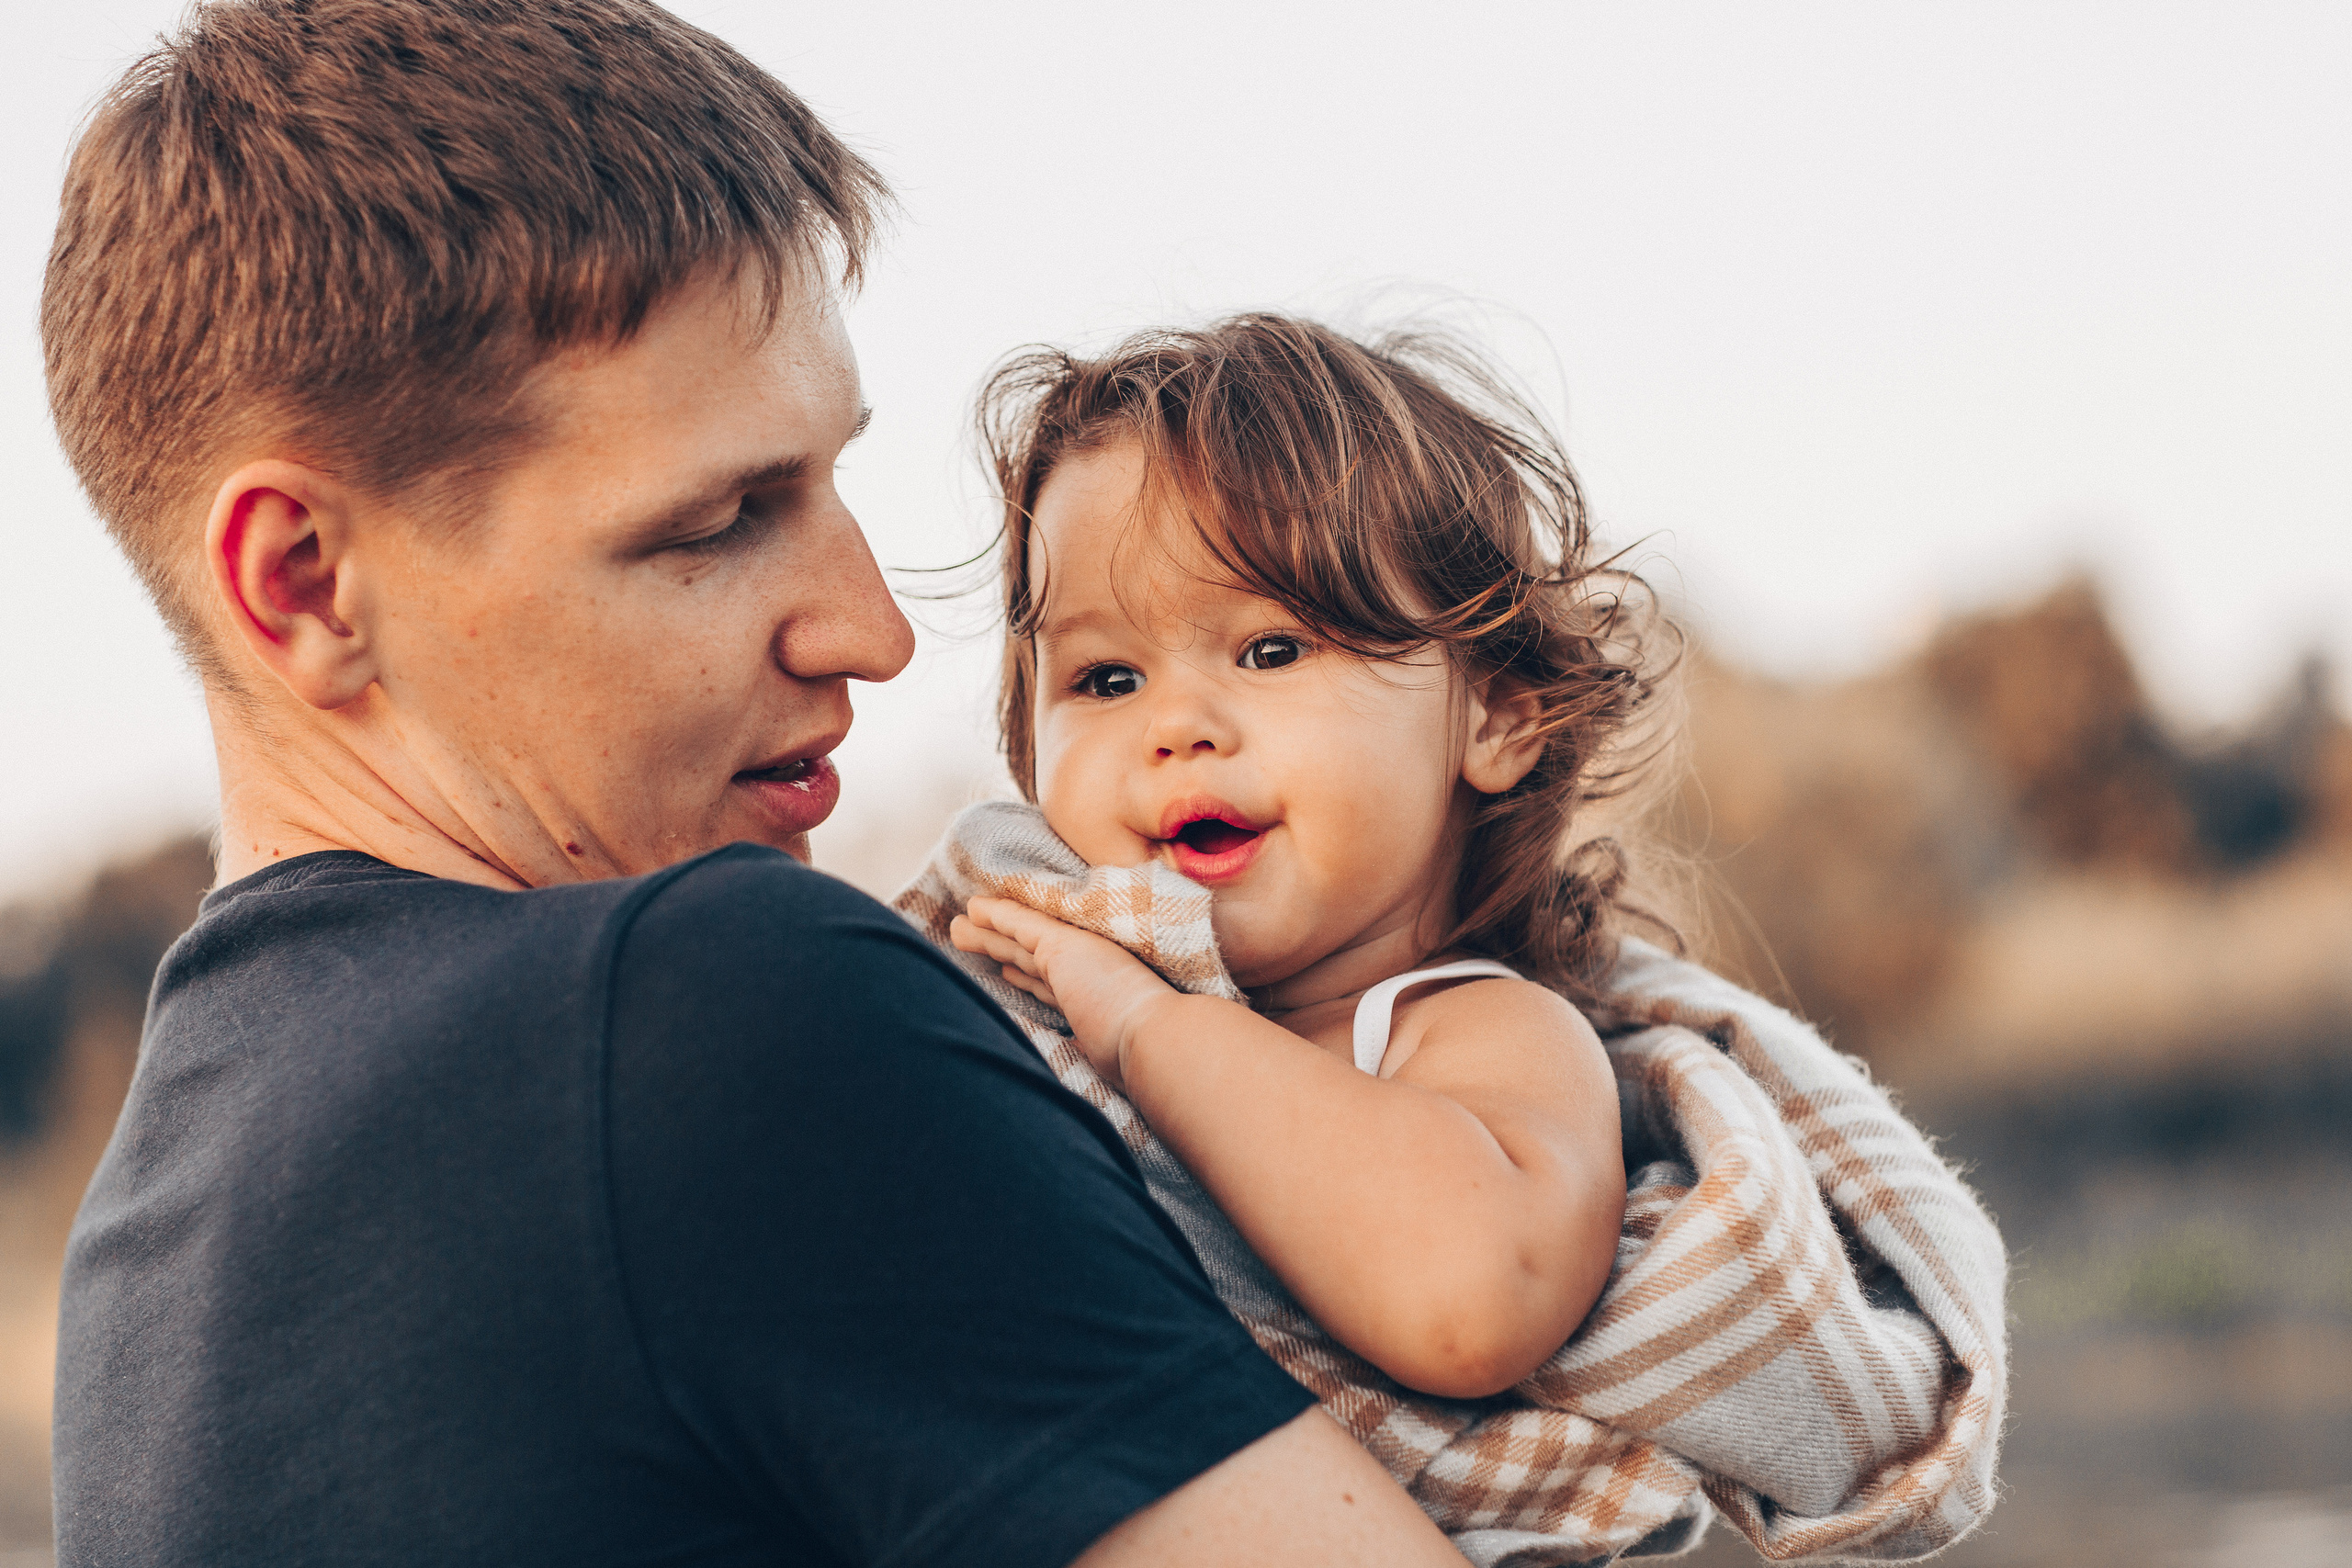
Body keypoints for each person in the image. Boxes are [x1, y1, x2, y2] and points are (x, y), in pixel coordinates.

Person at [40, 4, 1466, 1564]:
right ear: (306, 581)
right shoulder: (705, 1013)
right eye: (716, 522)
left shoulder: (135, 1280)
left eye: (831, 475)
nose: (870, 629)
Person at [948, 316, 1643, 1402]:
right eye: (1106, 680)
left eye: (1272, 651)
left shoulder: (1470, 1031)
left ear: (1496, 719)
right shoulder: (1023, 984)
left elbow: (1468, 1298)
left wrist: (1149, 1030)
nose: (1174, 727)